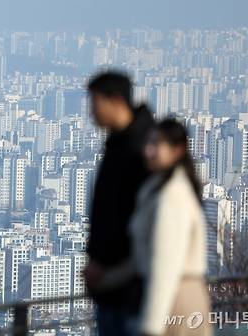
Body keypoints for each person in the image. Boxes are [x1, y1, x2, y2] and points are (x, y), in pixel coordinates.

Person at [84, 72, 154, 336]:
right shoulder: (118, 143)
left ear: (115, 101)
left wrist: (110, 266)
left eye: (95, 103)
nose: (91, 112)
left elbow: (137, 218)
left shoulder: (140, 149)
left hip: (130, 288)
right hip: (110, 286)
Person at [129, 119, 211, 336]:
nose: (148, 150)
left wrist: (151, 328)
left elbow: (164, 268)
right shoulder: (158, 189)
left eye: (156, 144)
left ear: (177, 150)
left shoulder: (171, 196)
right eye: (148, 143)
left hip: (175, 299)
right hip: (175, 296)